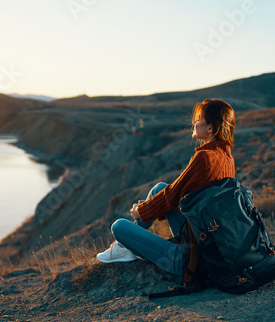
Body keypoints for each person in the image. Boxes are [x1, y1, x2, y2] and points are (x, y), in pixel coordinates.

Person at [96, 98, 236, 278]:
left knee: (119, 226)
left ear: (210, 128)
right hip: (204, 242)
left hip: (189, 260)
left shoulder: (205, 158)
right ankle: (124, 248)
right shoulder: (227, 157)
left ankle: (123, 246)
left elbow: (174, 194)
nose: (194, 122)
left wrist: (142, 211)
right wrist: (149, 207)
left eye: (199, 118)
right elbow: (175, 193)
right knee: (159, 188)